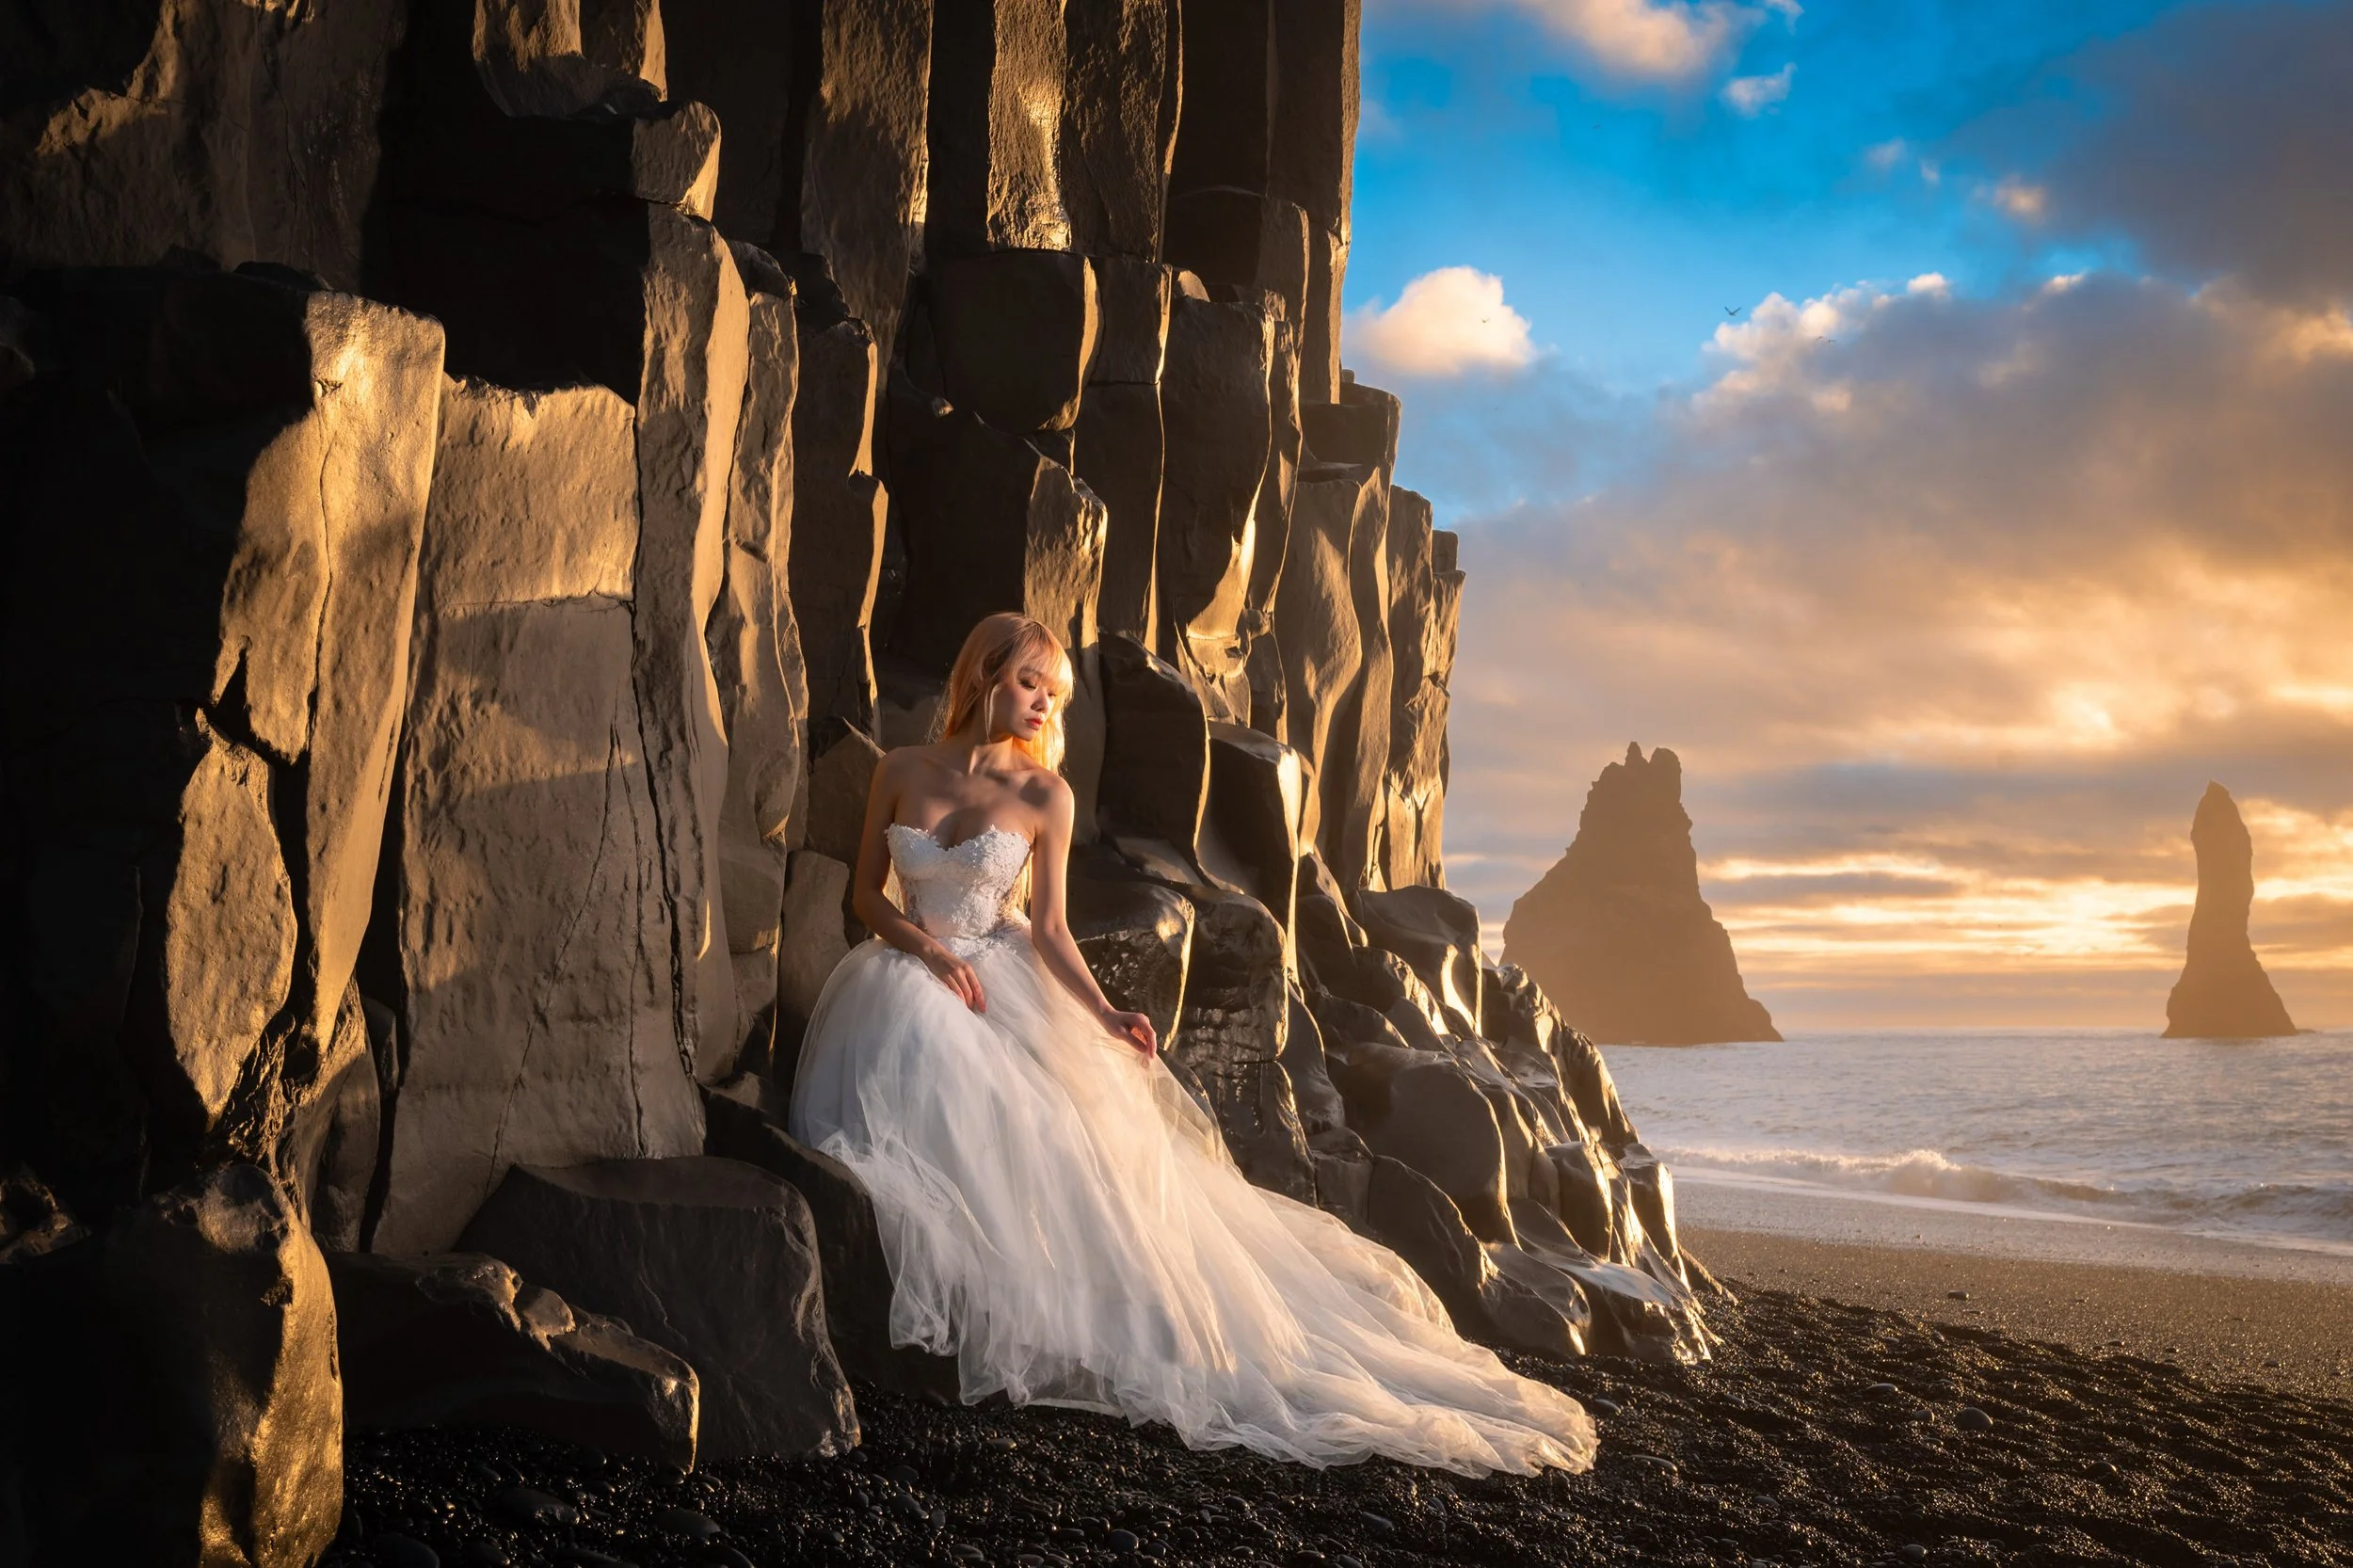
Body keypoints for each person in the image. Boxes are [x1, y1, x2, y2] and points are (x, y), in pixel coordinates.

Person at [787, 612, 1595, 1475]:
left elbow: (1053, 929)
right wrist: (928, 951)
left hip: (1003, 974)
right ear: (984, 674)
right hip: (909, 970)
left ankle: (1039, 1319)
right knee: (911, 1081)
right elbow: (869, 897)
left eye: (1053, 693)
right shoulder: (902, 770)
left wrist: (1105, 1017)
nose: (1042, 706)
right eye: (1030, 683)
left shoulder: (1043, 796)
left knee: (1053, 1147)